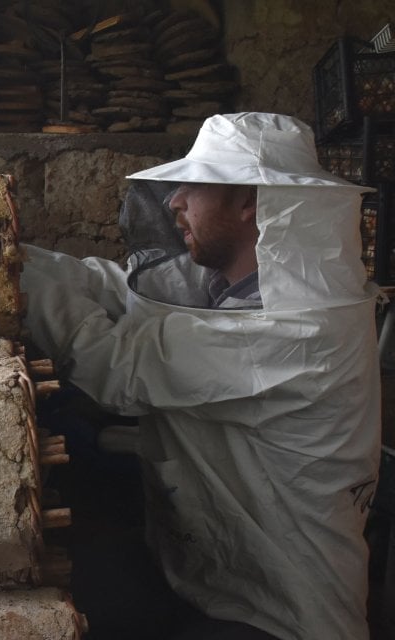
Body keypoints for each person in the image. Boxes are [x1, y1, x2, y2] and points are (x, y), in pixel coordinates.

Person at [21, 112, 380, 639]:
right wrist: (8, 251)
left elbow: (117, 365)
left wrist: (23, 281)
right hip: (213, 572)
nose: (174, 201)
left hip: (277, 611)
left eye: (195, 186)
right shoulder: (233, 280)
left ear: (247, 202)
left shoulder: (298, 329)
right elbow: (120, 288)